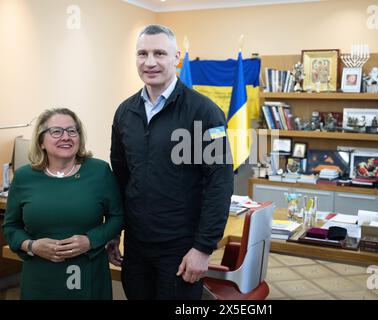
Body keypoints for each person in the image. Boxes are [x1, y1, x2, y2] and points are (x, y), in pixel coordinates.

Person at [109, 24, 234, 300]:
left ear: (176, 57)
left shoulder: (204, 112)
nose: (150, 62)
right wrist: (113, 230)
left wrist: (203, 248)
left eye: (159, 53)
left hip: (181, 248)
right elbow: (119, 177)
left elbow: (220, 183)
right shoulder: (125, 113)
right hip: (137, 246)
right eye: (142, 53)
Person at [2, 108, 124, 299]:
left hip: (88, 276)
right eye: (56, 131)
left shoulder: (99, 171)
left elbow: (117, 217)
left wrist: (90, 240)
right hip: (39, 279)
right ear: (41, 141)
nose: (66, 137)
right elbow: (11, 227)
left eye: (72, 131)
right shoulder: (24, 177)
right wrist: (32, 246)